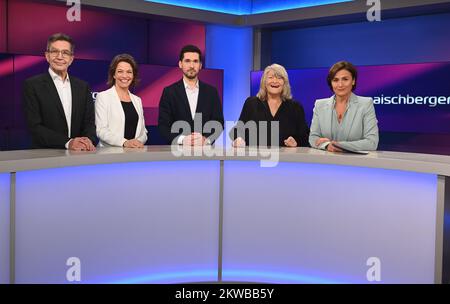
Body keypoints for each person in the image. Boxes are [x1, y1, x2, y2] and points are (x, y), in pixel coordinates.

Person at [22, 33, 96, 151]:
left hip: (79, 155)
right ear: (47, 56)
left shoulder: (83, 86)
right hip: (45, 156)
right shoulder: (32, 85)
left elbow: (89, 122)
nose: (60, 56)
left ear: (71, 59)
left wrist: (87, 140)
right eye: (54, 52)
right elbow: (34, 126)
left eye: (65, 52)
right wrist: (68, 142)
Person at [158, 45, 224, 146]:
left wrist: (206, 139)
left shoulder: (211, 92)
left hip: (205, 154)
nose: (192, 66)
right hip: (176, 154)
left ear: (200, 65)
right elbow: (163, 126)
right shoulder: (169, 92)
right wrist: (182, 140)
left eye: (195, 61)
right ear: (180, 64)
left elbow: (219, 122)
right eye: (187, 61)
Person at [230, 63, 309, 147]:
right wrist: (238, 138)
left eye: (279, 78)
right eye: (270, 77)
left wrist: (296, 142)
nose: (275, 81)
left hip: (285, 158)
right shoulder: (251, 103)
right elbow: (238, 130)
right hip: (255, 157)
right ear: (264, 82)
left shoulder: (295, 107)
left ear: (284, 83)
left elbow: (305, 137)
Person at [309, 61, 379, 152]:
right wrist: (326, 145)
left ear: (353, 81)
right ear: (331, 83)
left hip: (355, 163)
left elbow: (372, 142)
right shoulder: (319, 105)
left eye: (345, 79)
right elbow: (313, 138)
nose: (340, 85)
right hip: (326, 163)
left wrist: (339, 146)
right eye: (335, 80)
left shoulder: (365, 104)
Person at [95, 54, 147, 148]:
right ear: (113, 74)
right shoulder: (103, 97)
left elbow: (144, 132)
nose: (125, 76)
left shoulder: (137, 100)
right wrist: (124, 142)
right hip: (109, 154)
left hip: (134, 153)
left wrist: (137, 142)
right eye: (120, 71)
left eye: (129, 72)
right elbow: (101, 130)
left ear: (133, 75)